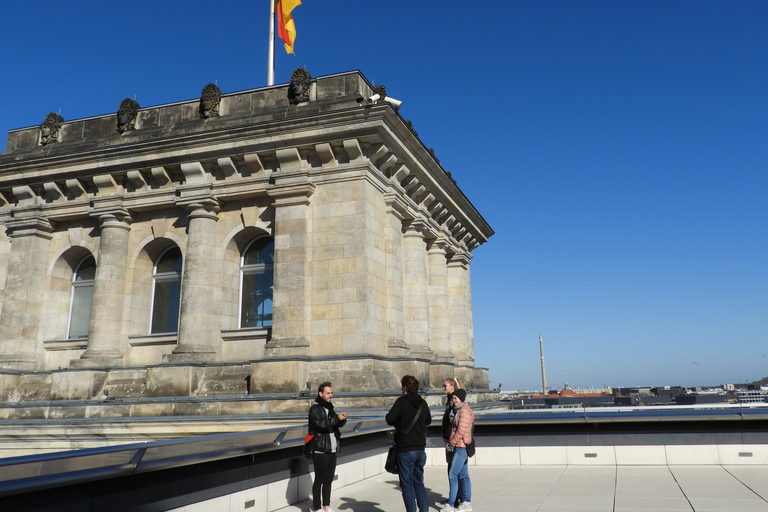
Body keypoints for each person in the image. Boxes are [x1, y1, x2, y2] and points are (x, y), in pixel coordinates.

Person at [386, 375, 432, 512]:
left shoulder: (401, 402)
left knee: (406, 485)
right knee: (419, 483)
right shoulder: (423, 403)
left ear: (405, 387)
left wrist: (400, 422)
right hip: (420, 449)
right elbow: (428, 420)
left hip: (405, 449)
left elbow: (389, 418)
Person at [308, 382, 348, 512]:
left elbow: (333, 424)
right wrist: (336, 418)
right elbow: (321, 425)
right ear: (321, 394)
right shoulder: (315, 408)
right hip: (320, 448)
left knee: (328, 479)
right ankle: (316, 508)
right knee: (319, 479)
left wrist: (341, 419)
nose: (331, 395)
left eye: (331, 393)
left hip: (331, 448)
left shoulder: (329, 407)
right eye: (328, 393)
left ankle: (326, 506)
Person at [442, 392, 474, 512]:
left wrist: (452, 442)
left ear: (461, 398)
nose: (454, 400)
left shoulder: (464, 411)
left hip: (461, 446)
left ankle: (450, 504)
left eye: (455, 398)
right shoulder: (459, 410)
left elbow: (461, 430)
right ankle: (466, 502)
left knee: (453, 474)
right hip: (461, 446)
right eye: (453, 398)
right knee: (464, 475)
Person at [442, 378, 466, 508]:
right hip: (449, 439)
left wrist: (448, 437)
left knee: (454, 470)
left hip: (453, 440)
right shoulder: (451, 399)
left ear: (452, 386)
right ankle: (455, 496)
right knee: (454, 469)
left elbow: (452, 422)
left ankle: (456, 498)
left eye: (445, 385)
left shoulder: (454, 400)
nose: (443, 388)